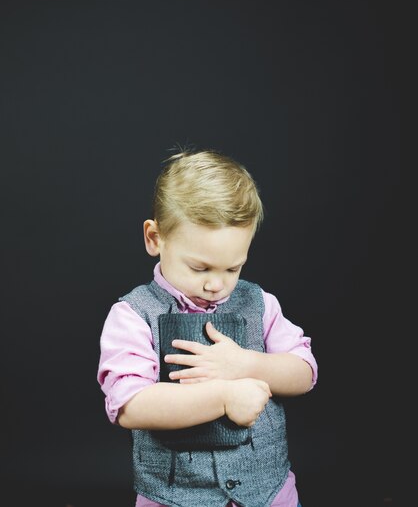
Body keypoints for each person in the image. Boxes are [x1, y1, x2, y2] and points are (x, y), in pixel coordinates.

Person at [97, 147, 318, 507]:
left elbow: (304, 373)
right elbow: (131, 405)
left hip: (268, 492)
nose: (217, 284)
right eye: (200, 268)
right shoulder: (133, 315)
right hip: (174, 497)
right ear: (155, 238)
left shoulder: (260, 304)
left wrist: (246, 365)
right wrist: (224, 397)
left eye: (233, 269)